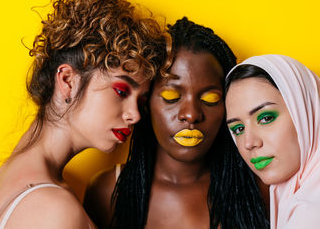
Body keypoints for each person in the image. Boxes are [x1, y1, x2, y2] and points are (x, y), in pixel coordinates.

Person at [0, 0, 171, 229]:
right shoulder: (55, 210)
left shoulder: (8, 175)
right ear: (67, 81)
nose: (135, 115)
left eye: (141, 101)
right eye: (120, 91)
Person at [84, 17, 269, 229]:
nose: (191, 115)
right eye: (172, 96)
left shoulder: (257, 189)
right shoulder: (106, 191)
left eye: (210, 99)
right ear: (146, 103)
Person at [225, 54, 320, 229]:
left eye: (266, 118)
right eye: (238, 129)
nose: (248, 143)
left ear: (308, 116)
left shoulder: (315, 215)